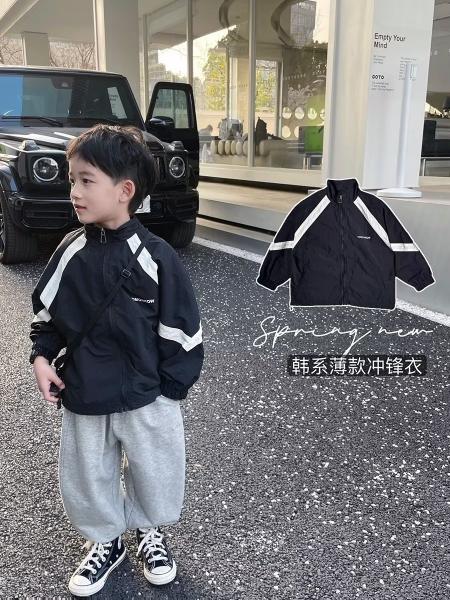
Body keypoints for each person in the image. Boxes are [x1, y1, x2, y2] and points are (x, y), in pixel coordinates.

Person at [29, 124, 204, 597]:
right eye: (72, 179)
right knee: (88, 475)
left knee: (155, 470)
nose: (74, 191)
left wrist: (170, 391)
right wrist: (41, 358)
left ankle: (149, 530)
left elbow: (184, 332)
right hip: (85, 391)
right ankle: (106, 540)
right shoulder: (71, 250)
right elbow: (48, 316)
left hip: (148, 395)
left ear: (125, 191)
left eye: (86, 180)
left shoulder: (157, 256)